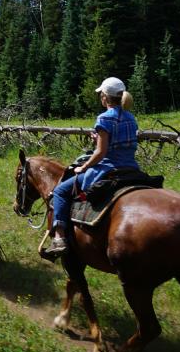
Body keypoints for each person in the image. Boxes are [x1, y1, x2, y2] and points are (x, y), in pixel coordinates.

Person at [44, 77, 138, 257]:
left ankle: (59, 237)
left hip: (108, 169)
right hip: (131, 167)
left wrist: (84, 167)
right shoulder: (130, 117)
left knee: (61, 191)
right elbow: (123, 144)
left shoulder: (104, 118)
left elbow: (101, 153)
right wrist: (100, 140)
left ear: (105, 96)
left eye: (101, 94)